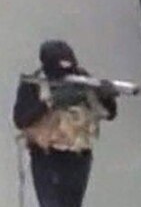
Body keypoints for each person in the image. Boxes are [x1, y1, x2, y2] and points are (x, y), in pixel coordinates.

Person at [13, 40, 118, 207]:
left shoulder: (82, 79)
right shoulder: (33, 83)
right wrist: (51, 102)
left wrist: (106, 95)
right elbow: (21, 119)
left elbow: (108, 113)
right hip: (48, 156)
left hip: (78, 156)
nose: (66, 74)